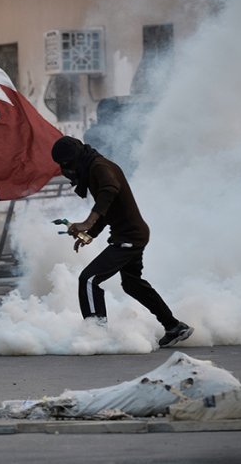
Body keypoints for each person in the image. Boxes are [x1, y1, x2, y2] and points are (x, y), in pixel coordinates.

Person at [50, 136, 194, 348]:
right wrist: (90, 233)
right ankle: (174, 327)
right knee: (132, 284)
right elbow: (107, 209)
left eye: (66, 164)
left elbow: (110, 189)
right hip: (130, 235)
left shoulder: (99, 167)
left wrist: (87, 222)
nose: (66, 170)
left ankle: (95, 336)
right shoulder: (94, 166)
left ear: (75, 159)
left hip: (129, 237)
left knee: (89, 280)